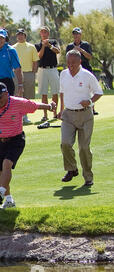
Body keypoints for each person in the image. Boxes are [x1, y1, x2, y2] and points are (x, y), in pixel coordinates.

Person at [0, 82, 57, 209]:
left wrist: (49, 106)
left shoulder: (18, 103)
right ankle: (8, 200)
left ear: (6, 94)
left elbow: (35, 106)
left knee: (6, 164)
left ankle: (1, 192)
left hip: (16, 140)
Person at [58, 50, 103, 187]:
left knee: (84, 148)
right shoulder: (64, 74)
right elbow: (62, 92)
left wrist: (89, 102)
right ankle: (72, 169)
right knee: (65, 143)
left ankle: (88, 177)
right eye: (68, 62)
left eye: (73, 62)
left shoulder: (87, 75)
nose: (70, 65)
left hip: (85, 115)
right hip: (68, 115)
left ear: (80, 62)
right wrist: (61, 110)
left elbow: (99, 92)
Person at [66, 27, 97, 115]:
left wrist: (81, 51)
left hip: (86, 69)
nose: (76, 36)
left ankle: (92, 108)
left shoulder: (86, 45)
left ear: (80, 35)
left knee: (89, 89)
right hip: (75, 71)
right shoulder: (70, 46)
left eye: (77, 34)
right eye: (74, 34)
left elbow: (90, 57)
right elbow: (67, 59)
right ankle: (75, 107)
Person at [13, 29, 39, 124]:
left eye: (22, 35)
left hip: (28, 73)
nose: (20, 36)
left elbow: (35, 61)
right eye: (18, 35)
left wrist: (34, 72)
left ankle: (25, 115)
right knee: (18, 95)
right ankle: (19, 116)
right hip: (16, 73)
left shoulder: (31, 47)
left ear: (25, 36)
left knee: (27, 96)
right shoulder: (13, 47)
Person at [35, 26, 60, 121]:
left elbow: (57, 51)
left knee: (55, 92)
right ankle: (45, 114)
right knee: (44, 93)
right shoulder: (37, 45)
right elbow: (39, 56)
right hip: (42, 70)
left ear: (48, 34)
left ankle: (54, 113)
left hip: (53, 69)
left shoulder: (53, 42)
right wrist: (43, 46)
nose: (43, 33)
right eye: (42, 32)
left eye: (45, 32)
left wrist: (49, 45)